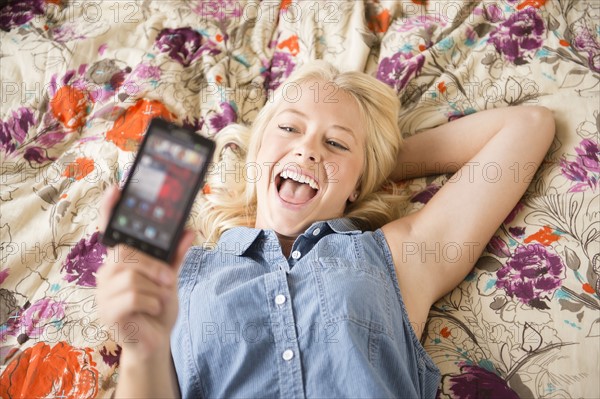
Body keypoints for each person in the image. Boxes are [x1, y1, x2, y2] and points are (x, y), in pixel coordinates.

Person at [96, 60, 555, 398]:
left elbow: (528, 126)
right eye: (290, 129)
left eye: (334, 141)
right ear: (257, 152)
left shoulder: (395, 256)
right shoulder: (178, 274)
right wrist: (140, 347)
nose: (309, 149)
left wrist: (366, 166)